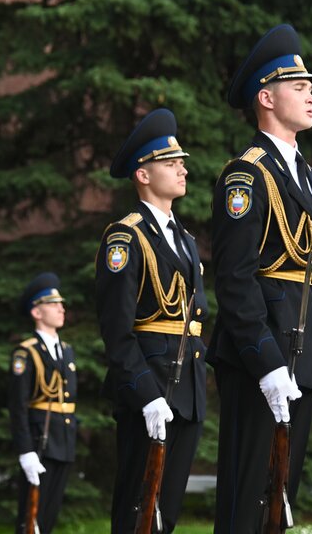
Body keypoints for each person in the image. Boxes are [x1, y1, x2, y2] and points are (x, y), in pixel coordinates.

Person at [208, 24, 312, 532]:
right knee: (246, 504)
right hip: (262, 357)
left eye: (310, 88)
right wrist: (267, 364)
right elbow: (235, 280)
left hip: (302, 351)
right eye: (299, 87)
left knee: (278, 504)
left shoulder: (308, 176)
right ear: (266, 97)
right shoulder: (247, 175)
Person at [95, 108, 209, 533]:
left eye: (181, 162)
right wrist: (147, 396)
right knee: (136, 511)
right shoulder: (125, 237)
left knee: (166, 514)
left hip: (187, 390)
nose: (182, 169)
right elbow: (117, 332)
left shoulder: (185, 240)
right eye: (170, 163)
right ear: (142, 174)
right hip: (150, 390)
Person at [9, 272, 78, 534]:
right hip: (40, 442)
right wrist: (25, 451)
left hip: (63, 440)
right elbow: (18, 406)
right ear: (37, 312)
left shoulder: (66, 351)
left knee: (47, 519)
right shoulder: (26, 352)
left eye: (61, 303)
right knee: (30, 519)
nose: (61, 308)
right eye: (53, 304)